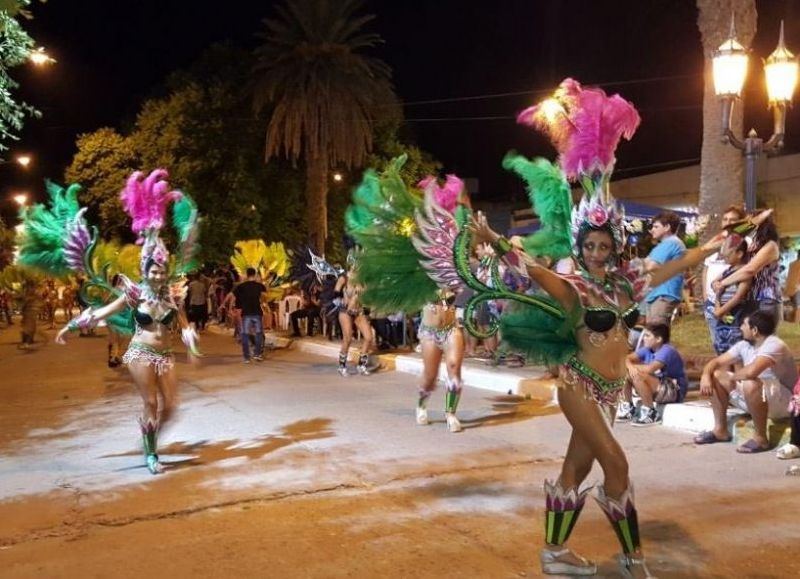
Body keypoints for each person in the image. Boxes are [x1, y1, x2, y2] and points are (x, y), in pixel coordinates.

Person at [470, 79, 729, 578]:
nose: (595, 253)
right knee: (618, 466)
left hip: (610, 389)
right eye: (588, 246)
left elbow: (677, 266)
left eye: (602, 246)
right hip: (578, 386)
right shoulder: (575, 287)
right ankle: (634, 559)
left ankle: (555, 554)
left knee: (579, 468)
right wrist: (495, 241)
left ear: (613, 245)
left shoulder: (629, 282)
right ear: (581, 244)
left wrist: (713, 246)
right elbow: (534, 271)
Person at [26, 169, 204, 475]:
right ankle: (152, 455)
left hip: (166, 355)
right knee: (150, 403)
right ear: (145, 271)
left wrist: (191, 342)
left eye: (162, 269)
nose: (158, 274)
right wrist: (71, 326)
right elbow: (103, 313)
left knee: (172, 408)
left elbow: (185, 323)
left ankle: (150, 441)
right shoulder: (134, 294)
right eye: (153, 270)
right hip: (139, 353)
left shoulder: (173, 295)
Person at [694, 311, 796, 453]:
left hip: (784, 403)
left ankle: (761, 439)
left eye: (744, 325)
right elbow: (716, 362)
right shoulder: (744, 345)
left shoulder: (774, 344)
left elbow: (751, 372)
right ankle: (720, 431)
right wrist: (706, 375)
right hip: (759, 396)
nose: (741, 328)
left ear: (754, 331)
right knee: (716, 375)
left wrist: (731, 378)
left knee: (750, 382)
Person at [714, 212, 782, 325]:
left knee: (763, 340)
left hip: (766, 300)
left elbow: (750, 270)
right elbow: (729, 248)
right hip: (750, 300)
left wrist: (723, 282)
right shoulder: (752, 245)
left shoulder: (771, 246)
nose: (746, 225)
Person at [620, 323, 688, 426]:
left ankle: (651, 413)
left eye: (647, 336)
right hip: (658, 386)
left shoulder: (667, 350)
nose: (643, 339)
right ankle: (628, 407)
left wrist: (632, 367)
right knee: (623, 371)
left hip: (674, 390)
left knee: (637, 375)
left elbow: (650, 369)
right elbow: (626, 358)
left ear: (658, 339)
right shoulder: (648, 349)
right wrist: (629, 366)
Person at [702, 205, 747, 343]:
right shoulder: (716, 243)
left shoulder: (744, 244)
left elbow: (746, 271)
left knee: (734, 347)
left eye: (733, 220)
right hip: (711, 301)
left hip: (731, 304)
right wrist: (705, 297)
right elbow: (706, 269)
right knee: (718, 344)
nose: (728, 223)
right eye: (725, 219)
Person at [644, 211, 686, 325]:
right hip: (660, 293)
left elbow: (649, 265)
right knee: (655, 333)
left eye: (656, 226)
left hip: (663, 294)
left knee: (656, 333)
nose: (652, 229)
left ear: (667, 227)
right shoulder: (667, 244)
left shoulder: (670, 243)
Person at [711, 237, 751, 355]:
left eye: (728, 252)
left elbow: (738, 296)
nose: (724, 255)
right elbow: (714, 283)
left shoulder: (745, 271)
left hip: (735, 312)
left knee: (735, 348)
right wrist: (718, 306)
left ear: (739, 253)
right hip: (721, 311)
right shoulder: (728, 270)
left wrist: (721, 310)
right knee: (722, 345)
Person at [334, 262, 375, 376]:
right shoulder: (344, 278)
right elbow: (336, 292)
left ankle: (361, 365)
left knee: (368, 337)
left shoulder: (363, 280)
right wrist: (341, 301)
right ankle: (342, 366)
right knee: (348, 338)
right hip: (345, 311)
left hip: (358, 311)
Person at [233, 267, 267, 363]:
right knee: (259, 334)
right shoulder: (260, 286)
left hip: (246, 313)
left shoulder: (241, 287)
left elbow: (236, 298)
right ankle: (257, 354)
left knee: (245, 334)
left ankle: (246, 357)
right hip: (257, 312)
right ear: (255, 274)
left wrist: (237, 308)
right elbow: (264, 298)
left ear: (247, 275)